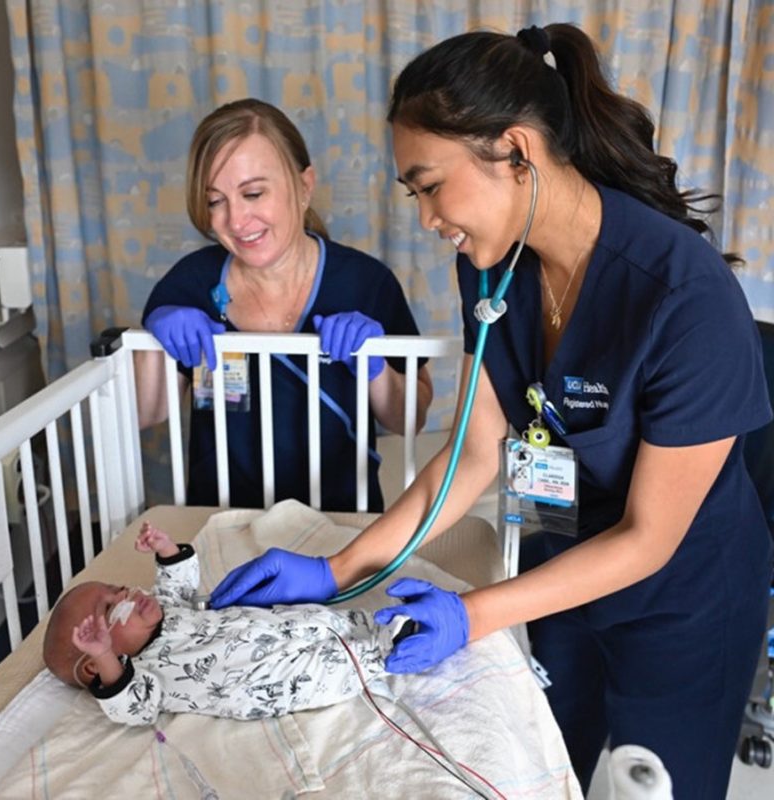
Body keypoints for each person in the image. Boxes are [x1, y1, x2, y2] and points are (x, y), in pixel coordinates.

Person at [206, 25, 774, 800]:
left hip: (683, 601)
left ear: (515, 152)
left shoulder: (685, 297)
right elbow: (473, 455)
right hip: (562, 566)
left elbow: (650, 538)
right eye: (414, 194)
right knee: (539, 769)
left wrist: (472, 616)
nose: (426, 216)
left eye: (430, 185)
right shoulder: (491, 271)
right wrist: (337, 570)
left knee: (659, 785)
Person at [135, 98, 432, 511]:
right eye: (215, 201)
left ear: (304, 186)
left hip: (341, 527)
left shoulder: (365, 283)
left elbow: (409, 420)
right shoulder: (190, 285)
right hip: (221, 521)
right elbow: (145, 414)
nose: (236, 221)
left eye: (253, 193)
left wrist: (376, 367)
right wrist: (154, 339)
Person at [42, 522, 408, 726]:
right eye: (109, 609)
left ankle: (374, 624)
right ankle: (385, 649)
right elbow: (133, 708)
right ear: (93, 661)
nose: (127, 595)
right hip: (270, 680)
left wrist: (166, 547)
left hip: (277, 627)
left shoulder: (166, 608)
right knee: (325, 672)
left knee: (320, 619)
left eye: (118, 589)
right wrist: (107, 658)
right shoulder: (145, 676)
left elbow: (177, 582)